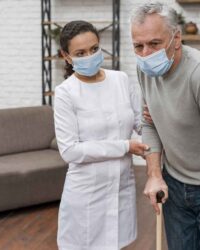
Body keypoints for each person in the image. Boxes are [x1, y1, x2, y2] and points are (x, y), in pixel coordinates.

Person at [130, 2, 200, 250]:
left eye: (154, 43)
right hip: (174, 184)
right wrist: (154, 174)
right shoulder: (145, 70)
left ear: (176, 38)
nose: (145, 54)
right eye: (138, 46)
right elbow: (149, 124)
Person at [54, 20, 149, 250]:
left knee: (118, 243)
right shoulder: (66, 93)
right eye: (80, 53)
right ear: (67, 56)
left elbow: (142, 124)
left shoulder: (121, 80)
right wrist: (126, 146)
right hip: (85, 193)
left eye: (94, 49)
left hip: (120, 188)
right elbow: (70, 151)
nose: (90, 56)